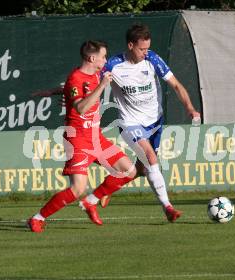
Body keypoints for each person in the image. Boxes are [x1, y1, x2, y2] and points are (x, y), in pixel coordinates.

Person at [85, 23, 201, 222]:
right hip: (130, 123)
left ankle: (103, 191)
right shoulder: (113, 65)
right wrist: (66, 95)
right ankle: (168, 208)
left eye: (147, 48)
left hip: (155, 121)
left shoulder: (153, 59)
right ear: (130, 45)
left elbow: (175, 85)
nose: (145, 52)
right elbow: (86, 79)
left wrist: (190, 108)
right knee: (151, 158)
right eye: (142, 49)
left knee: (142, 168)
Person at [27, 40, 137, 233]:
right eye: (103, 56)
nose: (105, 60)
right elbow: (81, 107)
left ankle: (91, 201)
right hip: (77, 140)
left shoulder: (96, 74)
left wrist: (54, 91)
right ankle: (37, 218)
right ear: (92, 58)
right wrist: (102, 85)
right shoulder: (76, 78)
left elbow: (72, 91)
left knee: (129, 170)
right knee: (78, 189)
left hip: (96, 138)